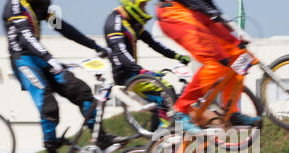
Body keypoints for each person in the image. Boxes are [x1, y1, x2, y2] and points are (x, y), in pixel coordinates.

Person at [3, 0, 128, 153]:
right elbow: (26, 37)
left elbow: (61, 27)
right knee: (48, 104)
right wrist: (49, 58)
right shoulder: (16, 5)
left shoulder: (41, 6)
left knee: (81, 91)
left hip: (40, 58)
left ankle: (100, 138)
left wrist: (94, 45)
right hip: (23, 60)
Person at [156, 0, 262, 133]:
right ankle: (180, 111)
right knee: (216, 61)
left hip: (197, 11)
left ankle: (231, 113)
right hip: (174, 13)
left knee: (238, 54)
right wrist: (214, 13)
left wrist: (224, 23)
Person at [104, 0, 192, 131]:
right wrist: (141, 71)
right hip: (125, 74)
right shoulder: (115, 22)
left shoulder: (132, 21)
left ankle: (158, 136)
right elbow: (120, 51)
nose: (145, 9)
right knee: (165, 91)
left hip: (134, 71)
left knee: (165, 97)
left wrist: (176, 56)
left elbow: (153, 43)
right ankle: (165, 132)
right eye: (142, 5)